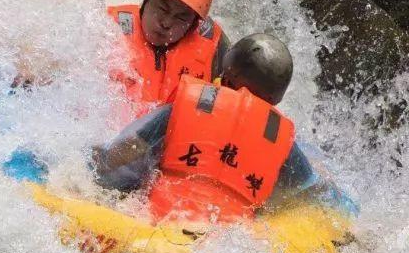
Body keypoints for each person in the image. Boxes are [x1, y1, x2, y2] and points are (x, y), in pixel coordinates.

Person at [93, 33, 325, 225]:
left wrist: (91, 162)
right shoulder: (280, 140)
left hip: (159, 221)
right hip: (229, 242)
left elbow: (120, 153)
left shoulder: (185, 108)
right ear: (274, 102)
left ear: (227, 77)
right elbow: (305, 192)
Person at [108, 0, 229, 112]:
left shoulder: (217, 52)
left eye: (181, 18)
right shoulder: (108, 28)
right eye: (162, 9)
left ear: (193, 25)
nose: (166, 23)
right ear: (146, 0)